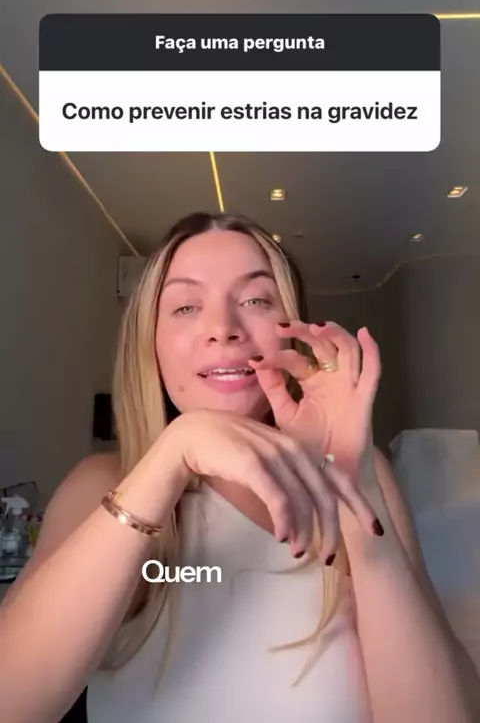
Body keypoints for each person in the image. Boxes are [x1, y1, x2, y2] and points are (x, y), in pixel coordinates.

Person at [0, 211, 478, 723]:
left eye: (255, 300)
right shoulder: (103, 485)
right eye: (185, 306)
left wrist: (352, 489)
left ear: (291, 330)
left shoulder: (367, 472)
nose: (223, 329)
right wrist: (173, 454)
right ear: (149, 342)